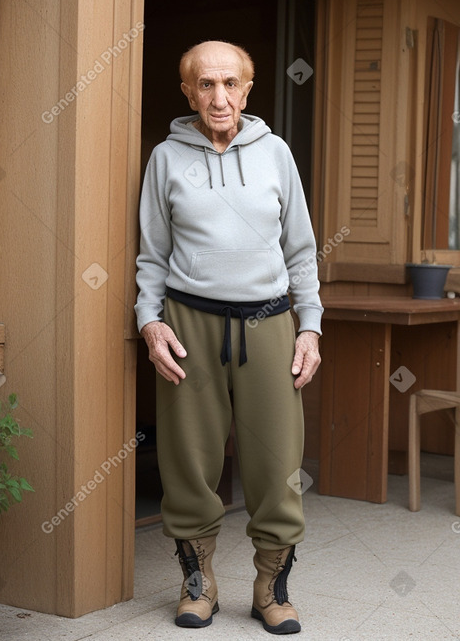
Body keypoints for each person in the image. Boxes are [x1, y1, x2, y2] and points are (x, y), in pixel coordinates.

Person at [135, 40, 322, 635]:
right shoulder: (166, 157)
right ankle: (199, 583)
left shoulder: (277, 154)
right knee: (188, 460)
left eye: (231, 84)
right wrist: (149, 320)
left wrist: (310, 325)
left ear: (249, 88)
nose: (220, 96)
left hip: (268, 323)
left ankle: (272, 586)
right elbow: (151, 254)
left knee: (276, 461)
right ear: (187, 91)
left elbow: (301, 249)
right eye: (206, 85)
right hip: (189, 322)